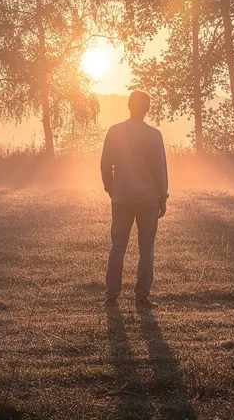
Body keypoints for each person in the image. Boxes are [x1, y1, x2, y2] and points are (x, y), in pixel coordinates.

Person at [101, 90, 168, 309]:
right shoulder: (154, 135)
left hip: (121, 196)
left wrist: (111, 188)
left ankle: (112, 297)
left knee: (117, 247)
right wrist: (163, 195)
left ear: (129, 105)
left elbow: (105, 164)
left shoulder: (115, 132)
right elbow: (160, 169)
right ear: (147, 108)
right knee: (146, 247)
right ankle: (142, 297)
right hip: (148, 197)